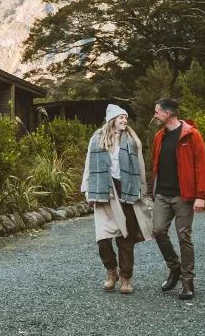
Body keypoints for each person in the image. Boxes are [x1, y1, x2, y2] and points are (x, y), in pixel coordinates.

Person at [81, 104, 153, 294]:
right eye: (121, 117)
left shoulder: (131, 140)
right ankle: (110, 271)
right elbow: (89, 164)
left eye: (126, 118)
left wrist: (142, 190)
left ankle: (126, 278)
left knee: (126, 237)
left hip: (126, 190)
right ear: (112, 119)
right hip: (103, 190)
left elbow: (140, 167)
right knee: (103, 238)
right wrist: (88, 190)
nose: (124, 121)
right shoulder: (97, 139)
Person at [151, 98, 205, 300]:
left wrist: (200, 196)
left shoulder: (191, 135)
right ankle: (174, 267)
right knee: (158, 231)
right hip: (161, 194)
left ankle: (187, 281)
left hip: (183, 195)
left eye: (157, 111)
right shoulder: (159, 137)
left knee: (184, 237)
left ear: (167, 114)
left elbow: (201, 166)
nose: (155, 115)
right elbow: (156, 166)